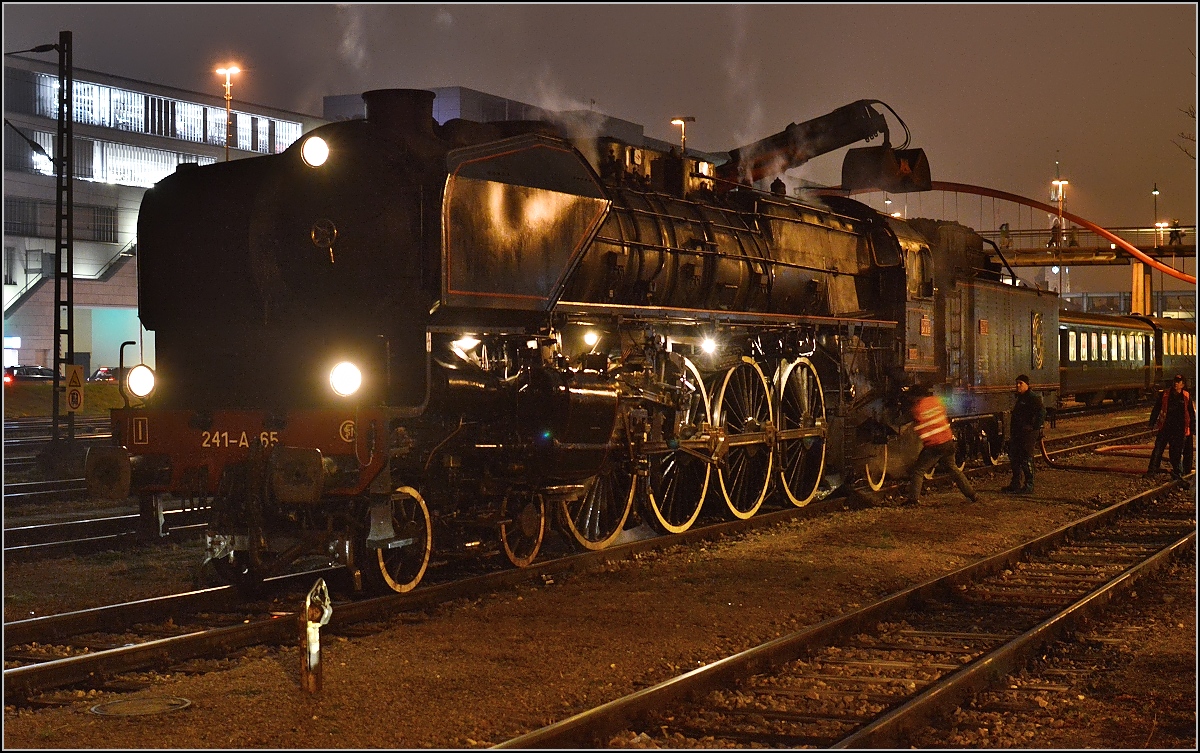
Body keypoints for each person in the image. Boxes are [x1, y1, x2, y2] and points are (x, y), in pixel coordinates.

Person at [900, 383, 977, 506]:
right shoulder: (936, 401)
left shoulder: (917, 409)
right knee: (953, 469)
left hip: (934, 445)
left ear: (916, 397)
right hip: (947, 441)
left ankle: (913, 500)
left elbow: (901, 421)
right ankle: (971, 494)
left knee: (918, 471)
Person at [1145, 374, 1195, 482]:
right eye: (1175, 381)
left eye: (1179, 381)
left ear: (1183, 384)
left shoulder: (1186, 396)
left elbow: (1191, 413)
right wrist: (1152, 422)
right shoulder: (1165, 394)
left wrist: (1193, 428)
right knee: (1158, 449)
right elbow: (1157, 408)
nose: (1176, 383)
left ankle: (1178, 472)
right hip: (1166, 427)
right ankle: (1152, 471)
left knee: (1175, 452)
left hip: (1179, 429)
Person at [1004, 374, 1045, 493]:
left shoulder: (1032, 398)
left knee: (1026, 458)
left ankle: (1029, 485)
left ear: (1027, 385)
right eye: (1017, 383)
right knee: (1015, 457)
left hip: (1028, 433)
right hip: (1018, 433)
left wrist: (1035, 427)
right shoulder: (1021, 398)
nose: (1018, 386)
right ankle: (1015, 483)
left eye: (1020, 383)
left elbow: (1042, 412)